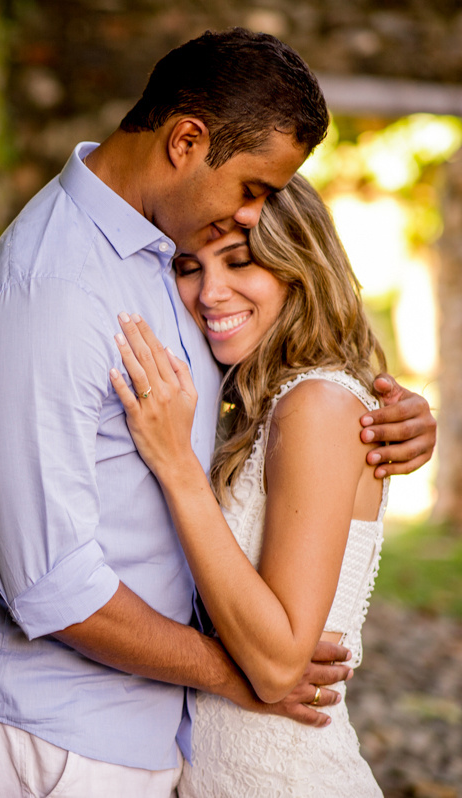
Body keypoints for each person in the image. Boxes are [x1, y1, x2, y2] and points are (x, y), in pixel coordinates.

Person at [0, 28, 436, 798]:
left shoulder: (160, 251)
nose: (246, 218)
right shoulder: (53, 292)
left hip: (148, 741)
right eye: (253, 188)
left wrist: (393, 420)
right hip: (53, 738)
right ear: (185, 142)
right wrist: (238, 676)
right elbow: (51, 585)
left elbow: (281, 412)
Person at [109, 174, 389, 796]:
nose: (210, 293)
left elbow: (278, 664)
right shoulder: (261, 407)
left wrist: (177, 466)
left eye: (239, 261)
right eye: (189, 267)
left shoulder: (317, 405)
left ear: (299, 266)